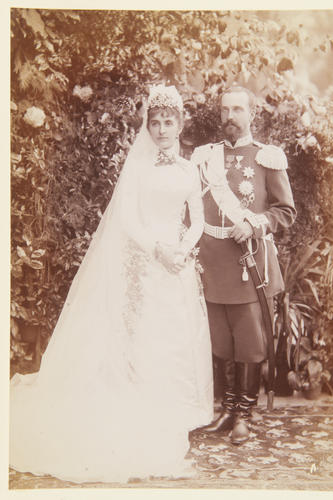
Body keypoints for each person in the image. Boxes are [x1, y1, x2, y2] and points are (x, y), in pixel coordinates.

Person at [9, 84, 213, 483]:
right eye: (154, 122)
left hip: (177, 262)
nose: (161, 129)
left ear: (180, 124)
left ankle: (179, 411)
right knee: (144, 331)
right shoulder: (137, 167)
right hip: (146, 260)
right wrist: (158, 251)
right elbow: (126, 221)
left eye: (168, 121)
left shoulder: (190, 169)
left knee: (177, 332)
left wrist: (183, 250)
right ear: (148, 126)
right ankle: (147, 407)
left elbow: (198, 218)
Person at [191, 85, 296, 445]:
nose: (230, 117)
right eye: (225, 110)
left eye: (238, 109)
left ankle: (243, 415)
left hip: (248, 265)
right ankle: (227, 408)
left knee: (249, 341)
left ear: (252, 114)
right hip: (211, 260)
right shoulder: (205, 157)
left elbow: (285, 211)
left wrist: (253, 223)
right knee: (220, 340)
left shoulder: (268, 158)